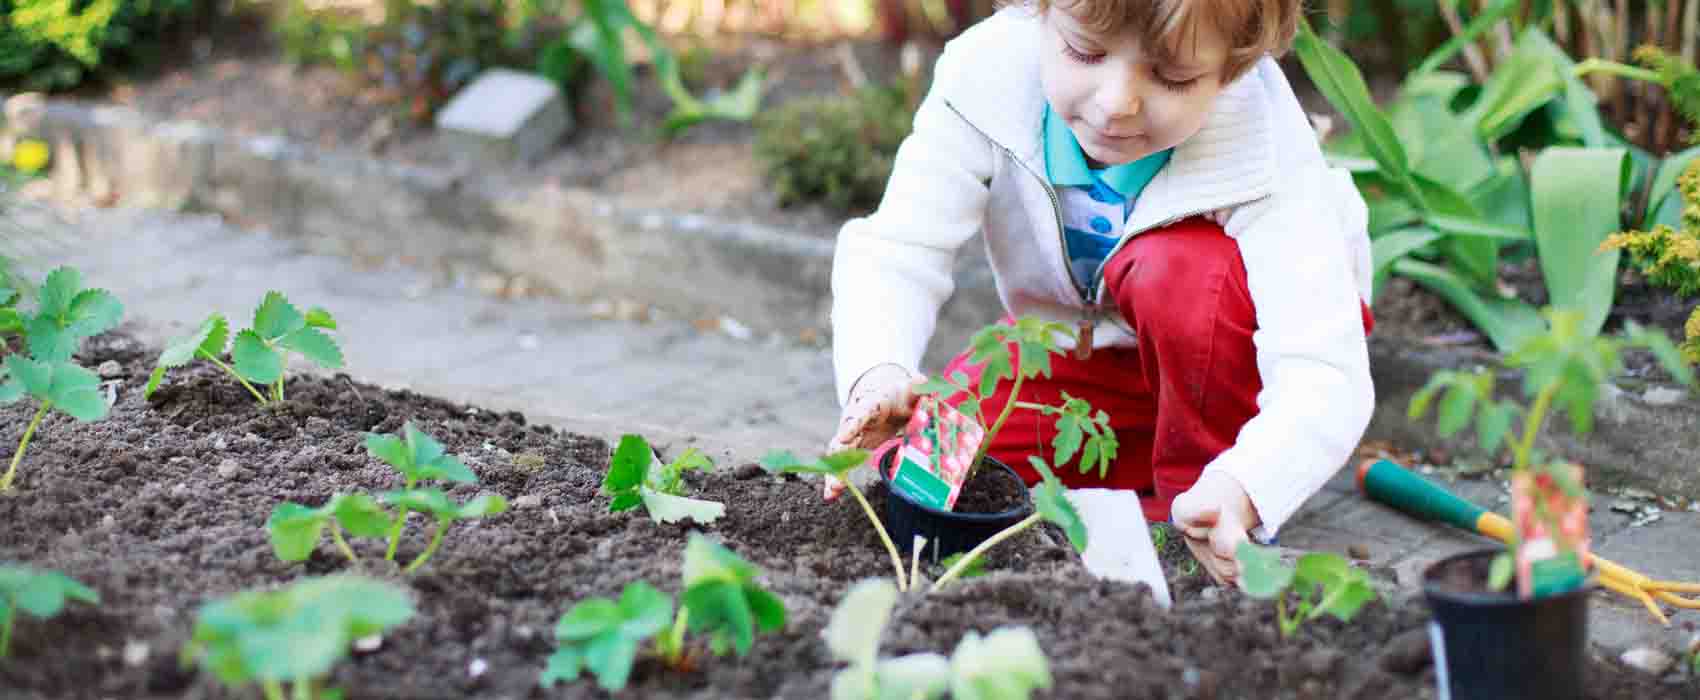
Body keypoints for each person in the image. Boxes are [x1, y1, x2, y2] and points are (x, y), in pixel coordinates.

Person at [822, 0, 1376, 588]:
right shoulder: (987, 78)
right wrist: (877, 371)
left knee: (1175, 267)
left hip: (1235, 369)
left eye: (1172, 77)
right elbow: (901, 248)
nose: (1116, 103)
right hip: (1090, 362)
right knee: (932, 460)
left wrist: (1250, 481)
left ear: (1236, 66)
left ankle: (1196, 511)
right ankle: (1132, 472)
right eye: (1084, 52)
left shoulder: (1262, 142)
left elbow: (1322, 369)